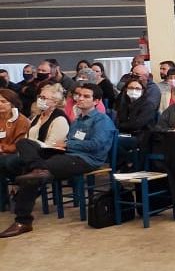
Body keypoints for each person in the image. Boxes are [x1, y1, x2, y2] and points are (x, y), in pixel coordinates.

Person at [1, 83, 116, 238]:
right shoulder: (77, 120)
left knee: (32, 176)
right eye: (78, 95)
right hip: (66, 154)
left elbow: (97, 145)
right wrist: (62, 147)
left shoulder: (102, 120)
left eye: (86, 96)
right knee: (24, 143)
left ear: (96, 101)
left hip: (86, 160)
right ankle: (38, 169)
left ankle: (23, 221)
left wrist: (68, 144)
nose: (80, 98)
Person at [0, 89, 31, 179]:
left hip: (15, 155)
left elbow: (20, 145)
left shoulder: (22, 121)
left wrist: (2, 148)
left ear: (12, 103)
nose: (0, 104)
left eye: (3, 101)